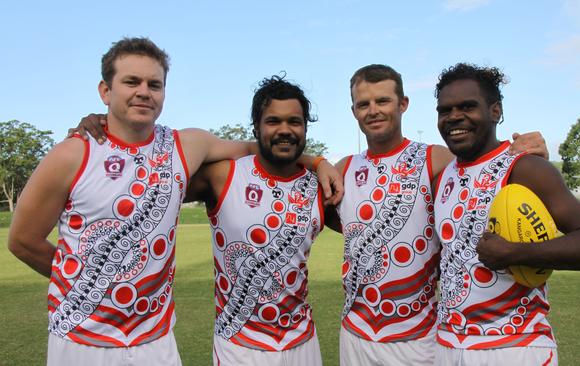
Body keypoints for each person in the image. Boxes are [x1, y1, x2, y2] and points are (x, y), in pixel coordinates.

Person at [7, 37, 341, 366]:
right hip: (79, 337)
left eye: (154, 84)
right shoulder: (74, 152)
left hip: (156, 340)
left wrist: (317, 162)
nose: (144, 91)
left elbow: (262, 147)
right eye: (131, 81)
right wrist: (87, 285)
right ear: (105, 91)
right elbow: (22, 241)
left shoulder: (185, 146)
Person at [330, 64, 549, 366]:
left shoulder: (436, 159)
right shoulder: (343, 168)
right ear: (353, 111)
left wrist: (525, 152)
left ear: (403, 104)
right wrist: (314, 161)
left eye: (383, 101)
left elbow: (487, 170)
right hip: (355, 333)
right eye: (363, 104)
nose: (373, 111)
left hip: (421, 336)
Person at [432, 63, 580, 366]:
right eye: (444, 110)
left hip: (515, 346)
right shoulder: (443, 178)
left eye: (467, 106)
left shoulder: (525, 168)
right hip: (448, 345)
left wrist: (515, 252)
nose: (454, 117)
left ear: (495, 111)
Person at [185, 75, 335, 366]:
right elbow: (158, 180)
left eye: (294, 121)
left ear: (305, 126)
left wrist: (318, 162)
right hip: (238, 345)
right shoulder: (223, 176)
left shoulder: (320, 186)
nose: (284, 130)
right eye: (273, 121)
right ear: (256, 126)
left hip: (301, 343)